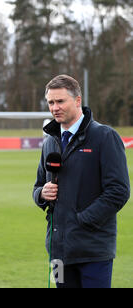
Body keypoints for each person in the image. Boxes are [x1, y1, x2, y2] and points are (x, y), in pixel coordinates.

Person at [33, 74, 130, 288]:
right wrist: (42, 193)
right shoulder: (50, 141)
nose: (54, 107)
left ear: (77, 101)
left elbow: (118, 191)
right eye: (51, 102)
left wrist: (82, 220)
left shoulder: (105, 137)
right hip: (58, 251)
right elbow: (38, 185)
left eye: (60, 101)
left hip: (93, 250)